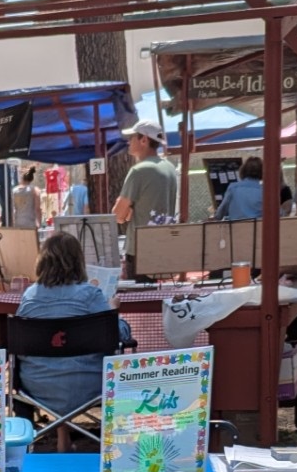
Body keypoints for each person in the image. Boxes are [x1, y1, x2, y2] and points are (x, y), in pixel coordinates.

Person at [14, 232, 133, 433]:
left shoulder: (29, 297)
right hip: (88, 386)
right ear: (78, 261)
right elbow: (120, 336)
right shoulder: (90, 296)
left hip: (37, 387)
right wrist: (113, 312)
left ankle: (27, 445)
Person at [112, 120, 179, 275]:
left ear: (144, 140)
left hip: (139, 249)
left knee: (138, 297)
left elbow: (118, 214)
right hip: (164, 244)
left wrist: (127, 213)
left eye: (132, 137)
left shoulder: (139, 171)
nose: (128, 141)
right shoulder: (169, 168)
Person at [215, 157, 293, 220]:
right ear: (263, 172)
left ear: (242, 171)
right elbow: (280, 215)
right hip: (259, 233)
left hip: (235, 233)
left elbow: (219, 214)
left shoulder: (233, 188)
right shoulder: (266, 192)